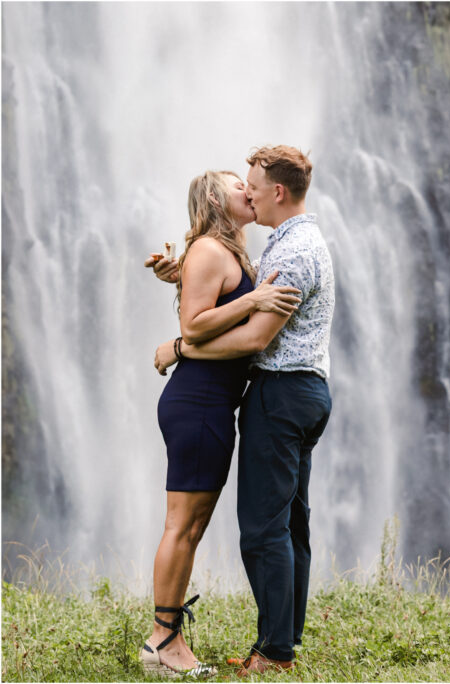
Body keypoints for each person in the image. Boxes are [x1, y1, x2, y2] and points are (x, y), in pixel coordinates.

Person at [153, 145, 335, 676]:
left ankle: (276, 647)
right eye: (239, 187)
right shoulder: (256, 248)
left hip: (272, 397)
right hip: (216, 400)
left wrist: (179, 344)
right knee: (194, 525)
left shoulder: (278, 251)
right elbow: (204, 314)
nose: (248, 193)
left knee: (261, 528)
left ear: (277, 192)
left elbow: (250, 335)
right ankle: (169, 638)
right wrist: (185, 284)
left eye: (251, 185)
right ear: (218, 199)